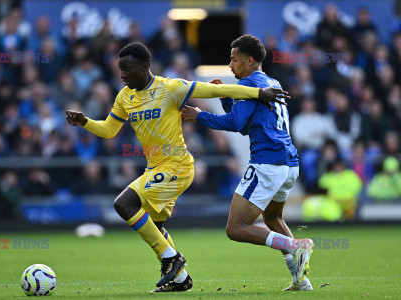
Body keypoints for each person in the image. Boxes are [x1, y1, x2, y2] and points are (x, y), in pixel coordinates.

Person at [65, 42, 289, 293]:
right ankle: (180, 279)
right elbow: (109, 130)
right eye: (120, 70)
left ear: (144, 66)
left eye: (128, 69)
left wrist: (259, 93)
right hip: (155, 169)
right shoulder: (124, 97)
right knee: (156, 228)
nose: (123, 74)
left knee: (124, 204)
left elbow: (215, 90)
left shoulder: (171, 87)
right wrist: (85, 122)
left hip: (178, 166)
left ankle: (171, 259)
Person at [182, 34, 314, 291]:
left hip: (267, 163)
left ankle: (296, 245)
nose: (230, 65)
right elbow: (246, 124)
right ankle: (300, 279)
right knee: (274, 218)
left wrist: (200, 116)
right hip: (288, 163)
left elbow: (235, 124)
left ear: (250, 61)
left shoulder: (251, 82)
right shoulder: (269, 81)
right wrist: (226, 98)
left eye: (234, 60)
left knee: (236, 228)